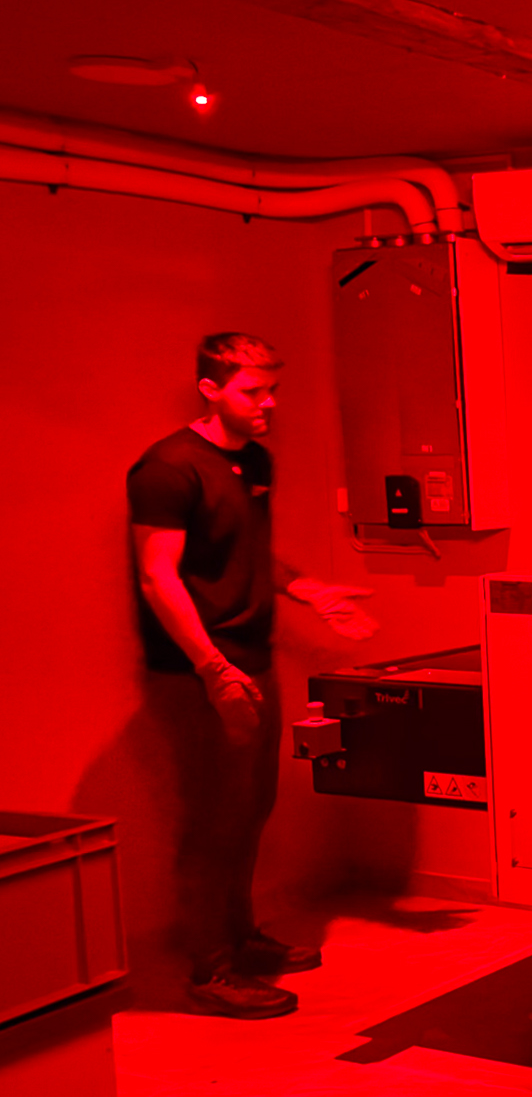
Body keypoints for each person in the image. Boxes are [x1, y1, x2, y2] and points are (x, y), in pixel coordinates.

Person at [128, 332, 380, 1019]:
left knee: (249, 808)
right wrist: (212, 667)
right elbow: (158, 577)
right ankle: (211, 971)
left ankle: (238, 936)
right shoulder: (167, 468)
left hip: (252, 658)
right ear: (209, 389)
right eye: (252, 391)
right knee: (214, 817)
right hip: (198, 671)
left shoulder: (254, 460)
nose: (267, 403)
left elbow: (246, 552)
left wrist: (311, 592)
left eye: (272, 390)